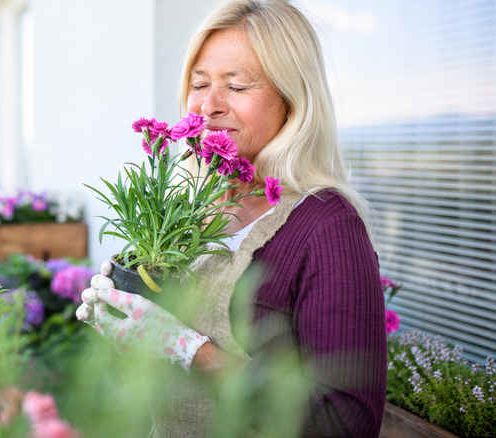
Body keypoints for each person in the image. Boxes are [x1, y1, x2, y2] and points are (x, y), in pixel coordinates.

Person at [76, 0, 387, 437]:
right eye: (199, 83)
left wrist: (190, 350)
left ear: (292, 100)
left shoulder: (327, 226)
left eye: (237, 87)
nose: (209, 105)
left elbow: (346, 422)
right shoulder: (187, 208)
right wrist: (128, 324)